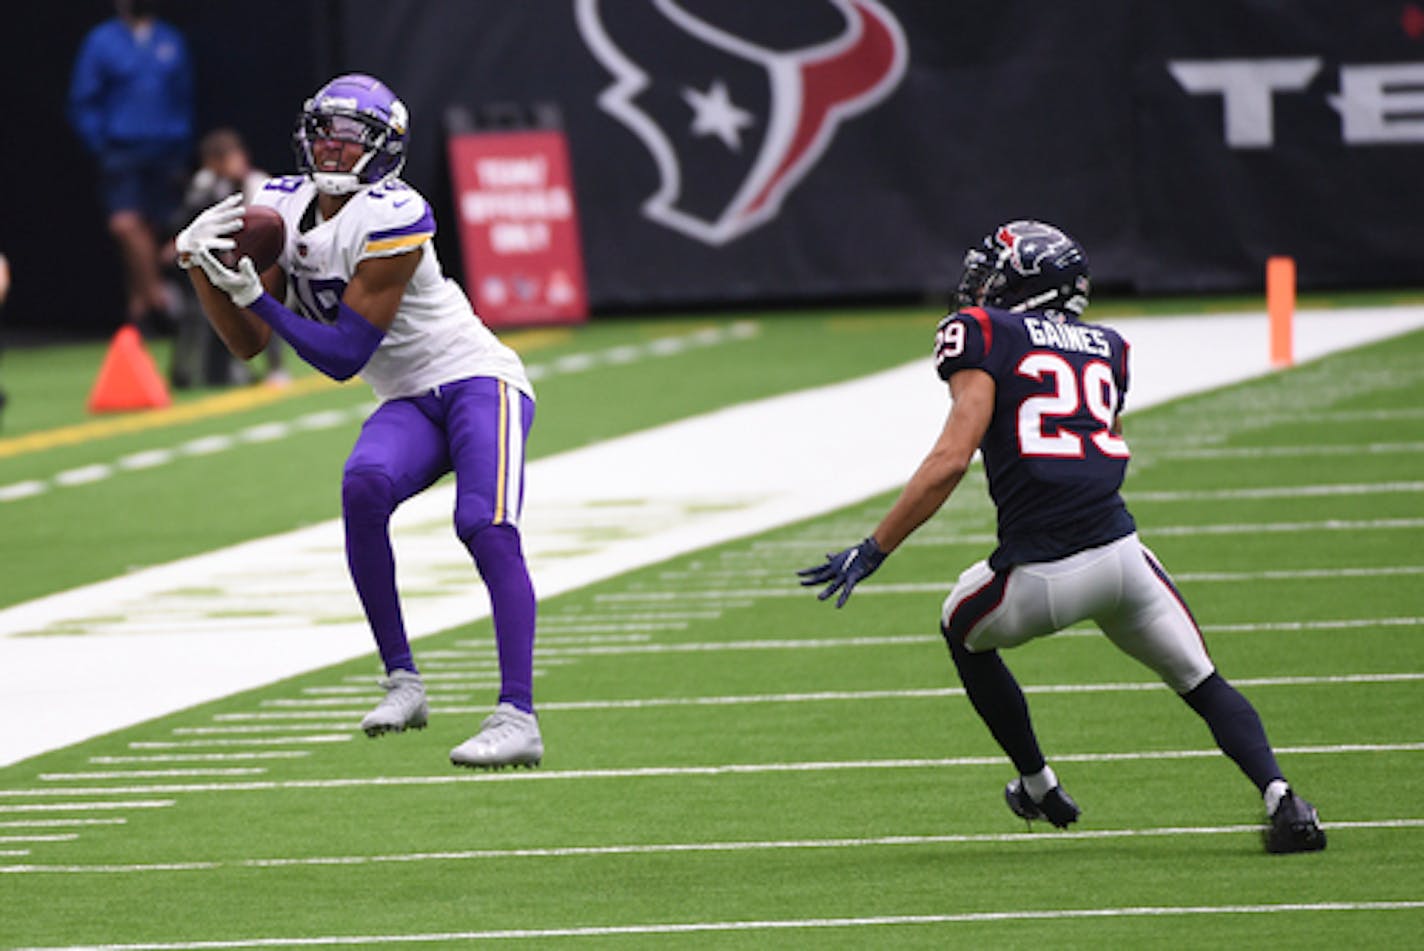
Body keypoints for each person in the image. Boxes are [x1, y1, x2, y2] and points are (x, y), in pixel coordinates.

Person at [798, 220, 1326, 854]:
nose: (981, 285)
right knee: (1203, 681)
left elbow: (949, 460)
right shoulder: (1108, 346)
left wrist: (875, 546)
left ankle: (1038, 783)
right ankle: (1284, 800)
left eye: (995, 272)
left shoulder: (985, 334)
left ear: (1027, 283)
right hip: (1123, 560)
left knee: (959, 627)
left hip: (1042, 573)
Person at [174, 74, 542, 769]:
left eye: (349, 140)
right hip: (405, 394)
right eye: (325, 134)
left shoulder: (394, 214)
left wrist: (256, 295)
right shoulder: (281, 203)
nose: (332, 150)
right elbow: (251, 343)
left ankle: (517, 715)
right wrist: (199, 267)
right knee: (363, 485)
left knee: (484, 524)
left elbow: (343, 356)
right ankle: (403, 678)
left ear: (383, 151)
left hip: (475, 379)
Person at [68, 0, 193, 333]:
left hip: (164, 149)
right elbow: (83, 99)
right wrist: (100, 143)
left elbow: (183, 97)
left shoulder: (170, 39)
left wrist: (179, 144)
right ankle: (157, 298)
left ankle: (138, 313)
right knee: (125, 225)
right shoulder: (101, 41)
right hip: (121, 148)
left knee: (154, 229)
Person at [165, 129, 288, 388]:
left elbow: (270, 233)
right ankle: (193, 370)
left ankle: (276, 367)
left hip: (257, 260)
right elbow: (189, 222)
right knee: (197, 307)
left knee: (265, 302)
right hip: (218, 259)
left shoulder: (259, 185)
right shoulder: (205, 184)